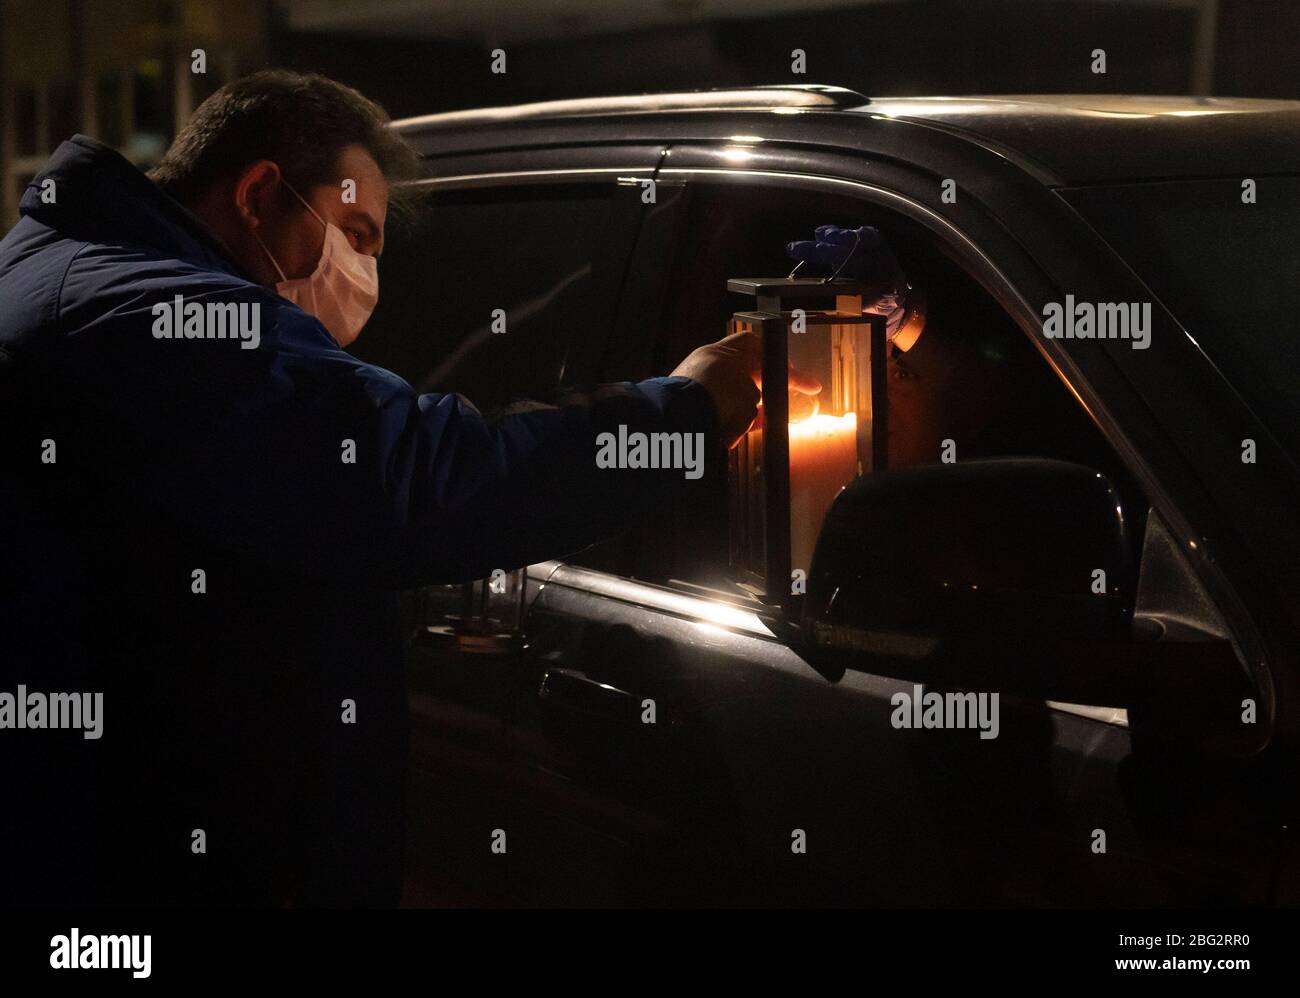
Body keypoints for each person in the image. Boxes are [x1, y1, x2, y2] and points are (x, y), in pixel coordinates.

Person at [0, 70, 762, 907]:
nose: (363, 273)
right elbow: (420, 479)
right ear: (259, 192)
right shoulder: (164, 317)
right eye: (354, 232)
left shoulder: (60, 275)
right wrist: (687, 413)